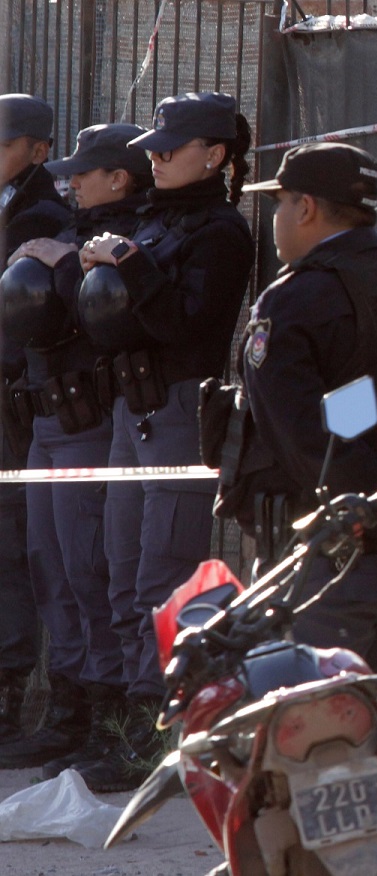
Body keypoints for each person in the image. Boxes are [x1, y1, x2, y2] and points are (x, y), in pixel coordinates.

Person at [74, 91, 254, 792]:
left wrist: (131, 266)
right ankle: (125, 728)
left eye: (168, 149)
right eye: (151, 148)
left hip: (179, 408)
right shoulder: (154, 217)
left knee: (163, 581)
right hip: (130, 406)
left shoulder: (220, 231)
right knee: (120, 573)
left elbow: (190, 325)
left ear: (214, 155)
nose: (152, 158)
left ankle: (167, 742)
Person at [213, 141, 377, 671]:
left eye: (280, 202)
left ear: (305, 207)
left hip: (328, 558)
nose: (276, 217)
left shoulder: (293, 301)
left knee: (306, 724)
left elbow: (306, 439)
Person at [0, 124, 152, 771]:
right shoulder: (69, 231)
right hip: (46, 420)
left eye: (83, 174)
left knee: (95, 573)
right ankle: (66, 707)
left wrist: (66, 268)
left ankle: (108, 715)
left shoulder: (131, 240)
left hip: (92, 418)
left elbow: (91, 323)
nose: (70, 184)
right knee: (50, 566)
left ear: (119, 178)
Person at [0, 93, 71, 747]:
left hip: (15, 401)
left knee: (14, 547)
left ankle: (10, 691)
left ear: (38, 150)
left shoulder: (42, 214)